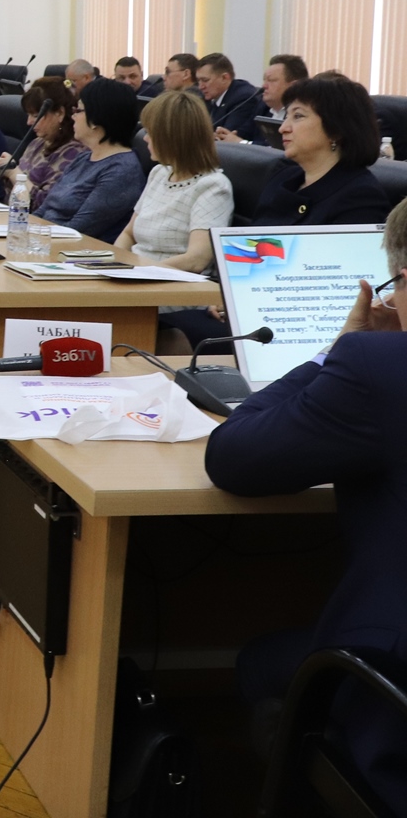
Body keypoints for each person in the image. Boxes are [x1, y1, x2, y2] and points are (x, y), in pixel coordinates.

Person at [204, 206, 407, 814]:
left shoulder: (380, 368)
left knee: (258, 663)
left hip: (393, 695)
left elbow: (233, 457)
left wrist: (337, 351)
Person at [250, 73, 390, 226]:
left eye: (298, 116)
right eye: (286, 117)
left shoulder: (361, 199)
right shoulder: (282, 177)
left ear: (336, 130)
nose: (283, 128)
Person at [116, 90, 231, 273]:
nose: (145, 138)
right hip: (136, 274)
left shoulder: (213, 186)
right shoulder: (159, 173)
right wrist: (113, 263)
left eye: (150, 132)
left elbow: (197, 259)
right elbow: (128, 234)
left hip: (171, 282)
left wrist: (138, 271)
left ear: (171, 137)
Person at [31, 78, 146, 241]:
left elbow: (78, 230)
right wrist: (23, 229)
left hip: (71, 249)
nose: (73, 116)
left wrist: (33, 235)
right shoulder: (84, 157)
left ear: (95, 120)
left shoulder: (122, 171)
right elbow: (44, 208)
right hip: (44, 240)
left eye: (78, 110)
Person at [0, 77, 87, 210]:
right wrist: (4, 173)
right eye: (28, 115)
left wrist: (12, 173)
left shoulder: (74, 152)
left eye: (35, 115)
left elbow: (45, 204)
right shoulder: (36, 143)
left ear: (60, 113)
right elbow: (16, 193)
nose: (29, 122)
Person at [196, 53, 263, 142]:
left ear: (224, 78)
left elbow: (226, 137)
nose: (200, 87)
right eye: (198, 81)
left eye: (205, 80)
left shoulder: (243, 98)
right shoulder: (208, 97)